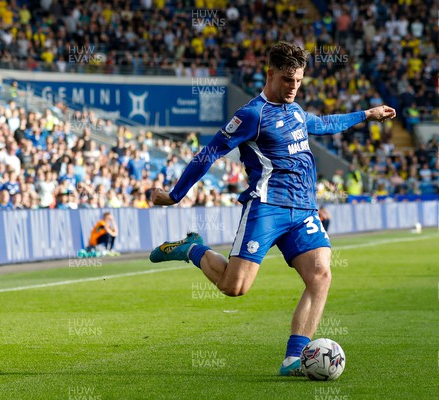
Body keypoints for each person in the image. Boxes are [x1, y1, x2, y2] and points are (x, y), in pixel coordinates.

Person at [148, 42, 396, 376]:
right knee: (234, 288)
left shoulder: (295, 111)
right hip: (266, 207)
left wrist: (366, 114)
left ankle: (293, 359)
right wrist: (176, 195)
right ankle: (190, 248)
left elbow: (322, 124)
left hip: (304, 210)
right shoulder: (251, 115)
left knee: (321, 275)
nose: (293, 87)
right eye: (286, 80)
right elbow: (209, 153)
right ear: (270, 74)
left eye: (298, 80)